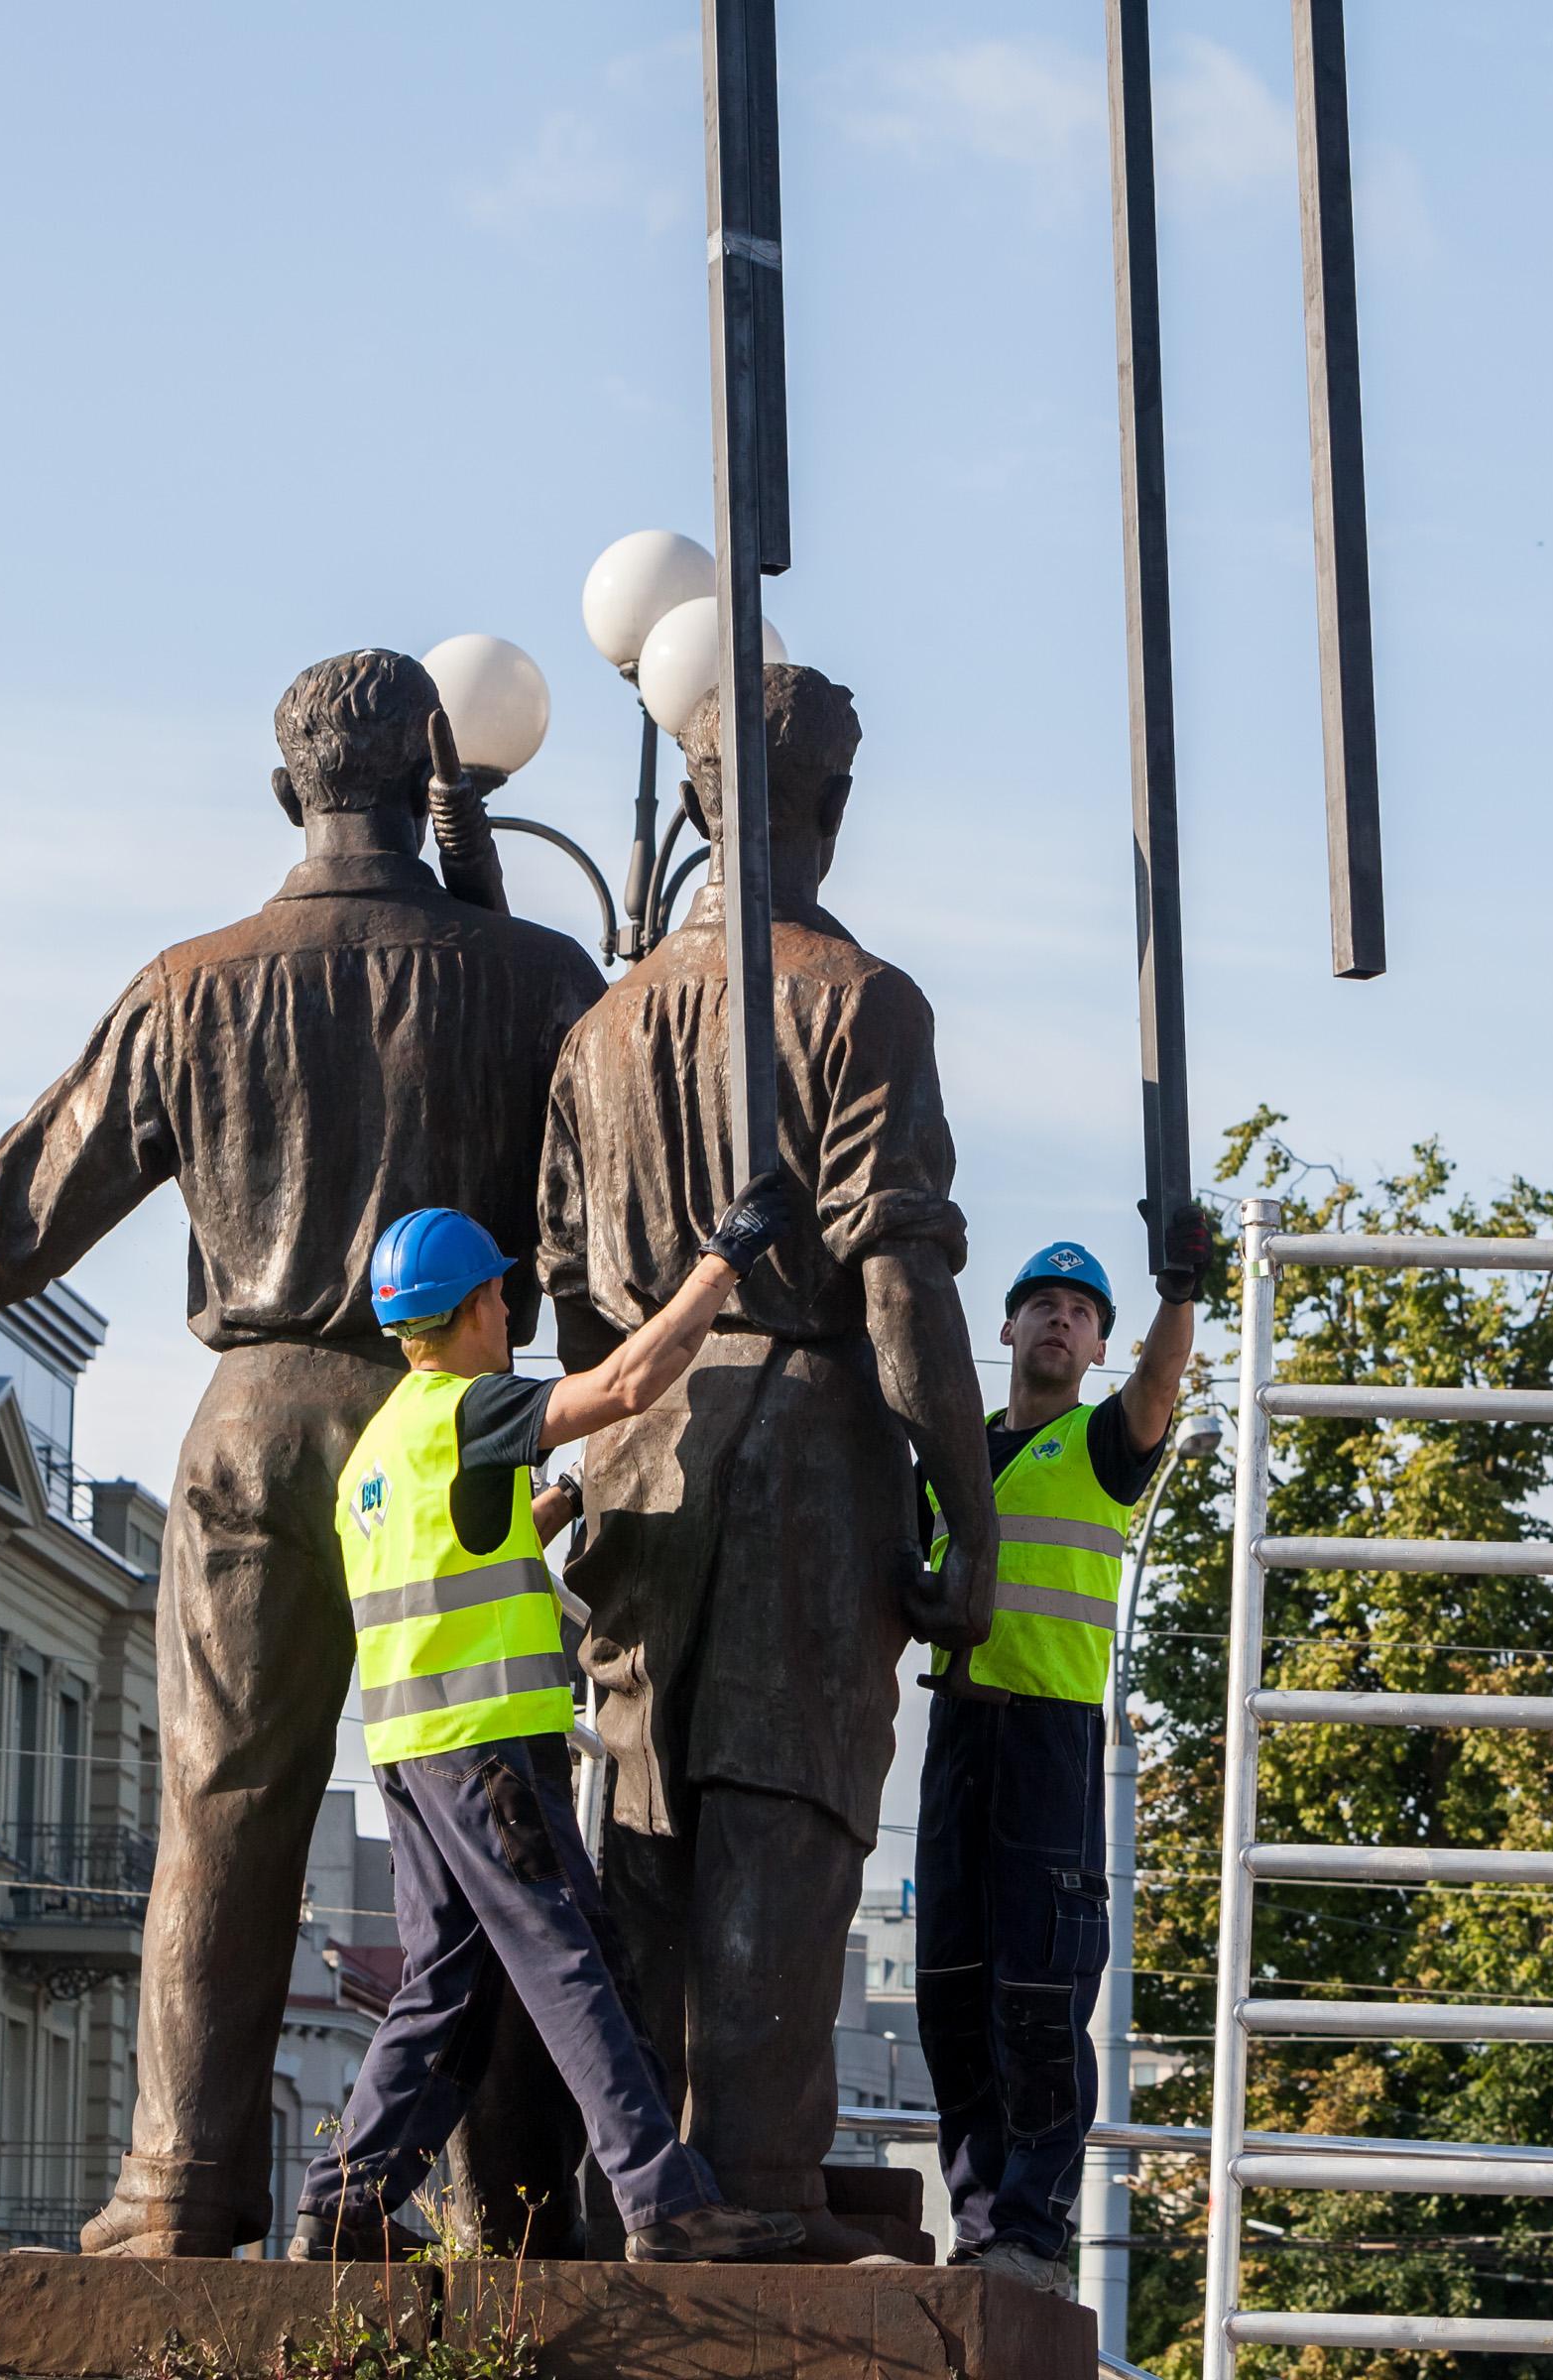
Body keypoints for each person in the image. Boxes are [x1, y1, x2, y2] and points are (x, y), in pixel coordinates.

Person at [0, 650, 603, 2258]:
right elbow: (603, 1216)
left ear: (287, 790)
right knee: (486, 1812)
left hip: (254, 1426)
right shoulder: (537, 975)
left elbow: (34, 1190)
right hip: (446, 1422)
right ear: (432, 777)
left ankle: (179, 2191)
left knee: (226, 1802)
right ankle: (518, 2210)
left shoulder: (195, 980)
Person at [527, 661, 1003, 2257]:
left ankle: (645, 2192)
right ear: (838, 806)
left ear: (692, 805)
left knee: (645, 1829)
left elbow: (578, 1290)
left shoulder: (601, 1029)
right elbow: (898, 1281)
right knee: (784, 1831)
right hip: (811, 1445)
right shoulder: (864, 1002)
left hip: (645, 1451)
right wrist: (970, 1514)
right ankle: (756, 2197)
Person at [293, 1196, 807, 2265]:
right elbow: (624, 1386)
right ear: (482, 1303)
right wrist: (721, 1263)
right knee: (573, 1956)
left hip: (409, 1755)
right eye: (501, 1296)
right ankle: (663, 2200)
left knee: (445, 1983)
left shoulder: (378, 1455)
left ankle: (342, 2203)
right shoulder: (474, 1410)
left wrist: (546, 1517)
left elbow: (446, 1563)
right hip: (490, 1751)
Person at [915, 1215, 1209, 2296]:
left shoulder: (1099, 1443)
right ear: (1008, 1325)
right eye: (1044, 1301)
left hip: (1049, 1741)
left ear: (1096, 1351)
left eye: (1083, 1313)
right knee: (950, 1988)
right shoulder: (952, 1453)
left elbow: (1164, 1372)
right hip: (959, 1736)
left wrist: (1179, 1287)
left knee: (1037, 1993)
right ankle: (982, 2222)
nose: (1062, 1318)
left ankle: (1032, 2236)